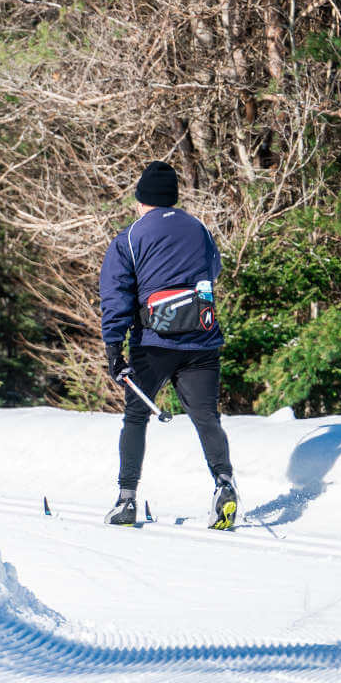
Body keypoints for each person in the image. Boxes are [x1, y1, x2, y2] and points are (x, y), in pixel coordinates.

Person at [99, 161, 237, 530]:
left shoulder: (130, 238)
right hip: (202, 338)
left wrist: (113, 347)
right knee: (206, 417)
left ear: (142, 199)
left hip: (153, 342)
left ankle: (126, 499)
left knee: (136, 417)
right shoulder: (199, 229)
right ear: (173, 199)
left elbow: (117, 295)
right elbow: (214, 269)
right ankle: (224, 485)